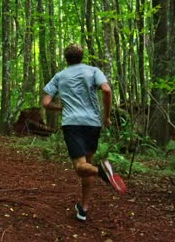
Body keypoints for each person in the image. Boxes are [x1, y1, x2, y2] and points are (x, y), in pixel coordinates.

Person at [41, 43, 127, 221]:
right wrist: (107, 117)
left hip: (72, 124)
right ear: (82, 56)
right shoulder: (93, 71)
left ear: (66, 58)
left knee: (82, 168)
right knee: (87, 164)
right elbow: (106, 89)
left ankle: (104, 173)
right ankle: (83, 208)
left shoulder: (59, 76)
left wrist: (60, 108)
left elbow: (46, 102)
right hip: (92, 124)